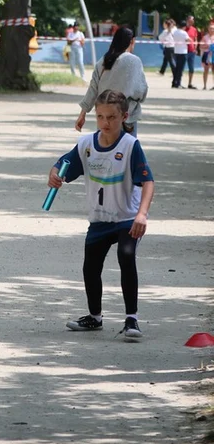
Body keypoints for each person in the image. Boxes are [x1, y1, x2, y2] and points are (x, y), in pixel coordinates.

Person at [49, 89, 154, 340]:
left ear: (124, 117)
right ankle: (94, 317)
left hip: (127, 217)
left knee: (126, 256)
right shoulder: (86, 144)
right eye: (100, 117)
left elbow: (148, 182)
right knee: (90, 267)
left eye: (112, 118)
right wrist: (54, 174)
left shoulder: (130, 145)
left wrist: (142, 215)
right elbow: (63, 164)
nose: (105, 123)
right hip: (99, 219)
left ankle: (132, 319)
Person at [75, 27, 147, 136]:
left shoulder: (103, 61)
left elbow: (93, 89)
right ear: (132, 41)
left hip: (104, 116)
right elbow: (141, 91)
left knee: (104, 150)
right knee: (126, 151)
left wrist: (82, 114)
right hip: (125, 117)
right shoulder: (134, 61)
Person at [168, 19, 190, 88]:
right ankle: (178, 83)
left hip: (176, 51)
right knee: (180, 69)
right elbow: (187, 40)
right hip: (183, 52)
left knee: (177, 68)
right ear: (184, 26)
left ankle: (174, 82)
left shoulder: (175, 32)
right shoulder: (184, 33)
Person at [184, 16, 200, 89]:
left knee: (191, 68)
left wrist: (195, 46)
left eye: (192, 21)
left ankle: (190, 83)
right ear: (187, 20)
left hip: (192, 51)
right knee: (181, 68)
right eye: (190, 21)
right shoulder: (183, 29)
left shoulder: (194, 29)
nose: (191, 22)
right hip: (183, 51)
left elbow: (195, 39)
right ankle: (177, 82)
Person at [201, 20, 214, 89]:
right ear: (208, 29)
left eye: (213, 28)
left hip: (213, 55)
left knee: (213, 70)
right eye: (210, 28)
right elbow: (200, 46)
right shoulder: (205, 37)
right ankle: (205, 85)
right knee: (206, 70)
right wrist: (207, 46)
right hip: (206, 55)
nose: (212, 30)